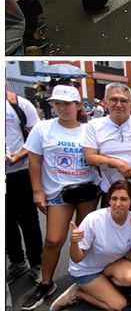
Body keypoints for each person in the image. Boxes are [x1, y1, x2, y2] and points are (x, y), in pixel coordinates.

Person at [22, 86, 100, 311]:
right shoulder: (42, 128)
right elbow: (34, 161)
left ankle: (86, 280)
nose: (62, 108)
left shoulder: (90, 128)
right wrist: (37, 192)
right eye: (58, 103)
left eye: (67, 103)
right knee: (54, 239)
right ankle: (46, 283)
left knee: (86, 238)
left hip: (88, 190)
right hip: (57, 192)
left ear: (78, 105)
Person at [49, 180, 131, 311]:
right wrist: (74, 243)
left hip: (108, 263)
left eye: (124, 199)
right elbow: (77, 259)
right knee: (119, 305)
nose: (118, 204)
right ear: (109, 200)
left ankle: (98, 285)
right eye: (114, 198)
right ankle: (78, 293)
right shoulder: (93, 220)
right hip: (86, 270)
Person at [81, 84, 131, 215]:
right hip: (110, 192)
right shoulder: (94, 125)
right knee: (110, 232)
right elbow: (90, 157)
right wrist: (116, 163)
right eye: (113, 99)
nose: (118, 104)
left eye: (123, 100)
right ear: (106, 102)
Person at [6, 90, 43, 282]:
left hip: (19, 172)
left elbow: (35, 138)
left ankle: (37, 263)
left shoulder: (20, 104)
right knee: (5, 221)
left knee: (28, 220)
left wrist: (17, 157)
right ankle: (18, 262)